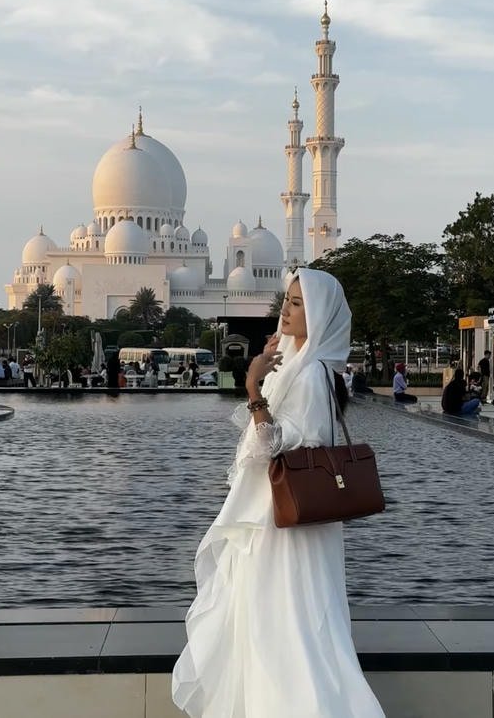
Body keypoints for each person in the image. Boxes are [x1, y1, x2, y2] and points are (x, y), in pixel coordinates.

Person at [172, 268, 386, 718]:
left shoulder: (308, 378)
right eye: (285, 301)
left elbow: (273, 446)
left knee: (282, 624)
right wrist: (267, 378)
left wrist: (253, 388)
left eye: (296, 303)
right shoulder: (304, 369)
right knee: (288, 621)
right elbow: (265, 440)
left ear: (320, 312)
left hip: (283, 522)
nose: (284, 311)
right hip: (287, 519)